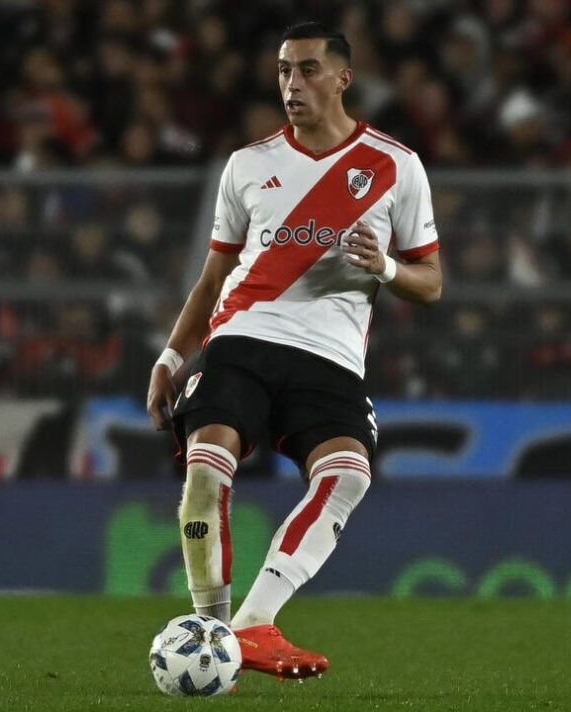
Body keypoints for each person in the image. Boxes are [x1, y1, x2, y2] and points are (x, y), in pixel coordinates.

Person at [145, 21, 441, 680]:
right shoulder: (248, 165)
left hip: (330, 357)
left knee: (348, 475)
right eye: (284, 70)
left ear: (343, 78)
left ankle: (253, 623)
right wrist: (170, 358)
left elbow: (432, 282)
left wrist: (387, 268)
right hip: (243, 339)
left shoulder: (395, 165)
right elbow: (213, 279)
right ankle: (214, 634)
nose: (292, 83)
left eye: (308, 69)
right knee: (206, 472)